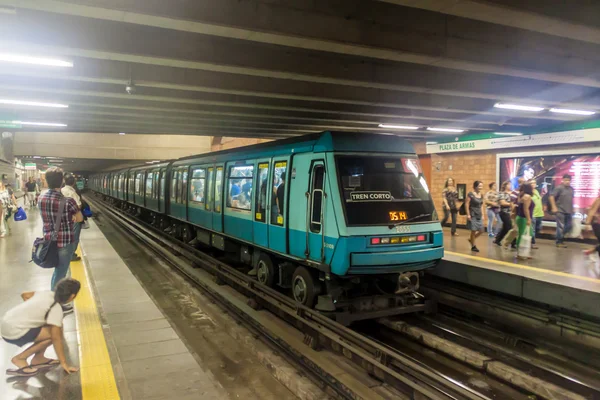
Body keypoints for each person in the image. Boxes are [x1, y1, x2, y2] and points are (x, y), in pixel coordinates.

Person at [1, 278, 81, 377]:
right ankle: (20, 358)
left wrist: (32, 312)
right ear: (72, 296)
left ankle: (38, 359)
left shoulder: (46, 293)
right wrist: (64, 363)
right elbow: (56, 338)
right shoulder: (55, 309)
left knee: (50, 326)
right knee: (55, 332)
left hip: (5, 323)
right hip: (13, 331)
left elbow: (25, 295)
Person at [38, 167, 84, 304]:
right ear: (62, 181)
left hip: (48, 241)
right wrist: (71, 218)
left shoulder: (41, 198)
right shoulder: (68, 201)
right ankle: (56, 303)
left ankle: (53, 298)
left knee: (56, 272)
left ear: (47, 181)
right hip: (64, 242)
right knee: (60, 272)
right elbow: (80, 218)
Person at [61, 173, 82, 262]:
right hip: (74, 218)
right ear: (73, 183)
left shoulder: (61, 190)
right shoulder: (72, 192)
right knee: (74, 237)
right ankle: (71, 254)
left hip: (63, 218)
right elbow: (78, 205)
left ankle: (65, 253)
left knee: (65, 236)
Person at [549, 174, 574, 248]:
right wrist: (554, 207)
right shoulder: (559, 188)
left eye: (569, 180)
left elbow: (570, 199)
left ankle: (558, 236)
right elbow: (551, 197)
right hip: (560, 210)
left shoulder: (571, 189)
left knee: (569, 226)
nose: (567, 182)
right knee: (561, 226)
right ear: (562, 180)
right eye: (566, 180)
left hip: (569, 211)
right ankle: (559, 242)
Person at [515, 183, 534, 260]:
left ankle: (524, 252)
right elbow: (526, 209)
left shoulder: (521, 195)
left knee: (526, 234)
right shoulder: (527, 196)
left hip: (520, 217)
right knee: (522, 235)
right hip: (523, 218)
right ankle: (520, 253)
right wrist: (529, 219)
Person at [465, 181, 485, 252]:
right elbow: (467, 204)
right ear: (475, 186)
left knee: (481, 230)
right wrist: (468, 214)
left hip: (479, 214)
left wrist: (483, 214)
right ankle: (473, 246)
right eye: (479, 186)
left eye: (481, 186)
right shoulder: (470, 194)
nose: (481, 187)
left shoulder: (481, 195)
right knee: (473, 230)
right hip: (472, 214)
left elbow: (481, 205)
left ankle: (471, 239)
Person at [494, 181, 514, 247]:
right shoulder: (502, 194)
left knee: (505, 228)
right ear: (505, 185)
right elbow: (502, 203)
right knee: (510, 227)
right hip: (504, 212)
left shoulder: (512, 193)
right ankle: (513, 243)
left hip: (511, 212)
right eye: (509, 184)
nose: (510, 186)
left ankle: (497, 240)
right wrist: (511, 204)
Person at [584, 193, 600, 261]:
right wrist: (587, 223)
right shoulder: (598, 200)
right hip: (597, 224)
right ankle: (592, 251)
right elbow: (592, 211)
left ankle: (591, 251)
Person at [530, 180, 544, 249]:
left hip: (539, 213)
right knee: (533, 230)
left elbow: (538, 199)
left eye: (534, 183)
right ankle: (532, 243)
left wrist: (542, 195)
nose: (533, 184)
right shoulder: (528, 193)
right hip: (533, 214)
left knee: (538, 228)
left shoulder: (536, 191)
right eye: (531, 183)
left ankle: (531, 240)